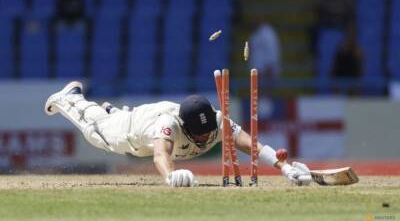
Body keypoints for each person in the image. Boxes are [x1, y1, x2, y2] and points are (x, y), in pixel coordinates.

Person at [45, 81, 312, 187]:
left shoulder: (218, 121)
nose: (208, 139)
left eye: (210, 134)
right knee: (96, 134)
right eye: (201, 136)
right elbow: (160, 154)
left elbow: (251, 145)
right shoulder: (169, 126)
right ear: (185, 128)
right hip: (132, 134)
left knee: (117, 119)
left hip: (146, 117)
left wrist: (284, 167)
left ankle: (114, 111)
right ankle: (69, 97)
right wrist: (170, 175)